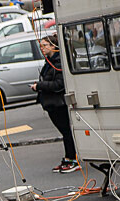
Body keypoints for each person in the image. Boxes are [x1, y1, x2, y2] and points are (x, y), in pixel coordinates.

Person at [31, 35, 79, 173]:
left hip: (58, 103)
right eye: (41, 46)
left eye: (45, 45)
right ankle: (69, 158)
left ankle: (72, 159)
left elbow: (59, 84)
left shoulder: (58, 62)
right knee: (65, 132)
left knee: (66, 132)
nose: (42, 48)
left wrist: (39, 85)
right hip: (51, 103)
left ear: (53, 46)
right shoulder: (49, 61)